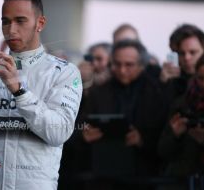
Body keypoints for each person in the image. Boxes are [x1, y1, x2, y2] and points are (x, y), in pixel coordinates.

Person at [0, 0, 82, 190]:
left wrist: (19, 91)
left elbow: (59, 133)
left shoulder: (63, 72)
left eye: (20, 20)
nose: (11, 29)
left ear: (40, 23)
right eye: (5, 21)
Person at [80, 40, 167, 189]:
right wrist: (84, 134)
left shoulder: (158, 92)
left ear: (141, 65)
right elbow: (80, 124)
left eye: (129, 65)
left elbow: (166, 133)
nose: (122, 70)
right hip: (104, 172)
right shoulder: (98, 92)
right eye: (117, 64)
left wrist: (142, 139)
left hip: (145, 175)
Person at [158, 54, 204, 190]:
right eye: (201, 78)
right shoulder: (182, 103)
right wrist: (175, 135)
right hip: (181, 181)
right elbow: (162, 151)